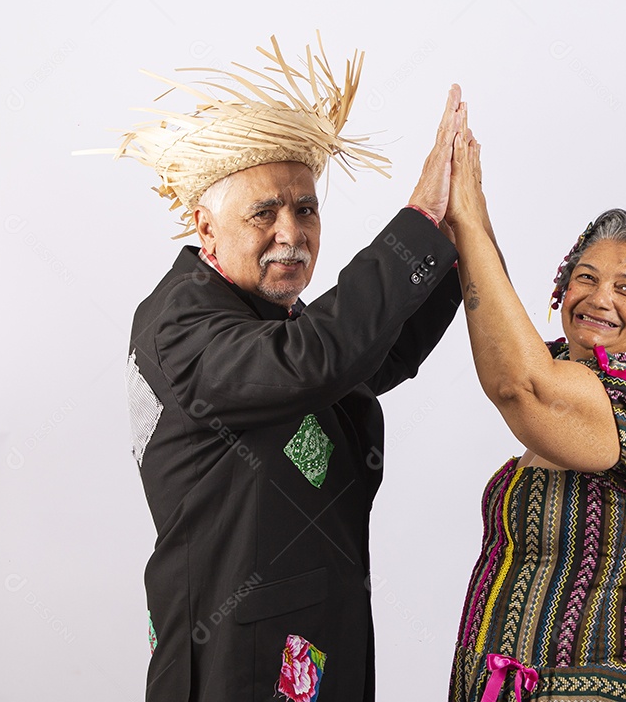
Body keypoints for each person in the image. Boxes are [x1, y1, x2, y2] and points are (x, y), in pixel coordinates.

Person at [108, 37, 464, 701]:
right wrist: (416, 221)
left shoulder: (264, 314)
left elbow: (366, 359)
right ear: (205, 228)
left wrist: (450, 242)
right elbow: (314, 360)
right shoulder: (180, 323)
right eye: (263, 213)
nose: (291, 233)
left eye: (305, 209)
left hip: (308, 646)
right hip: (235, 663)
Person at [442, 113, 626, 701]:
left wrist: (467, 222)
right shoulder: (569, 377)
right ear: (562, 289)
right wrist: (471, 209)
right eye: (586, 278)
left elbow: (522, 385)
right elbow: (514, 346)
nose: (599, 298)